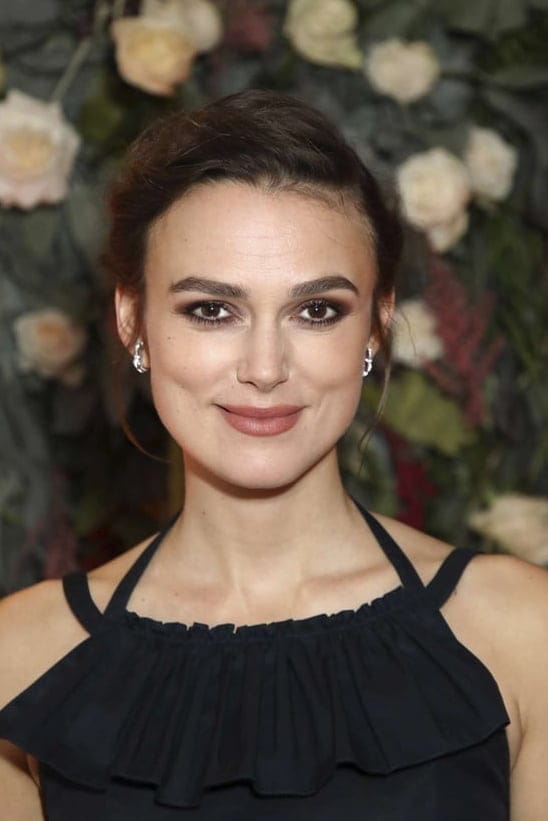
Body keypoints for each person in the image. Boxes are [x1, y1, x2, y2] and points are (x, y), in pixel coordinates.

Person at [0, 89, 547, 820]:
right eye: (211, 310)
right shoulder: (22, 659)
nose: (265, 368)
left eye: (316, 310)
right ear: (134, 321)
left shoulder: (523, 631)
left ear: (376, 325)